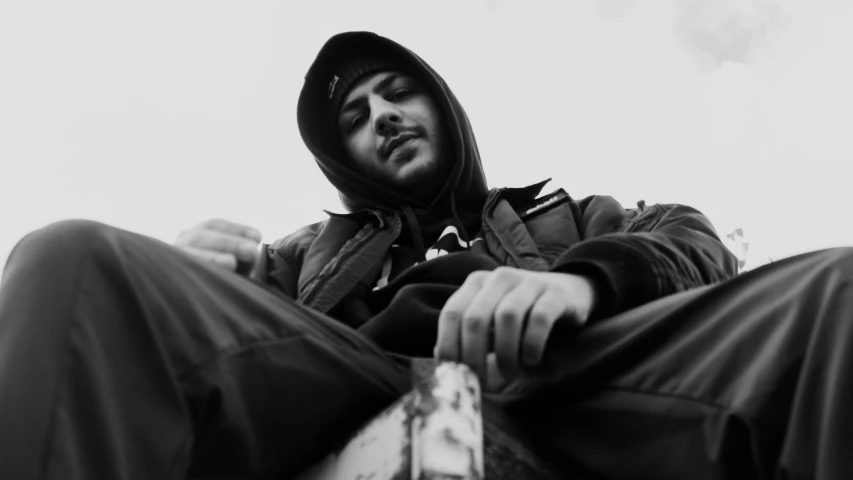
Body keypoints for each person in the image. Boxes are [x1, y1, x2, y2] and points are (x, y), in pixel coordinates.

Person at [0, 31, 850, 480]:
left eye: (398, 91)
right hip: (349, 376)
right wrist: (174, 286)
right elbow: (198, 330)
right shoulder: (300, 257)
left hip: (567, 376)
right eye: (357, 117)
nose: (383, 116)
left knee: (838, 292)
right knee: (71, 263)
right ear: (345, 159)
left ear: (443, 105)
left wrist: (581, 281)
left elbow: (693, 243)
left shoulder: (575, 213)